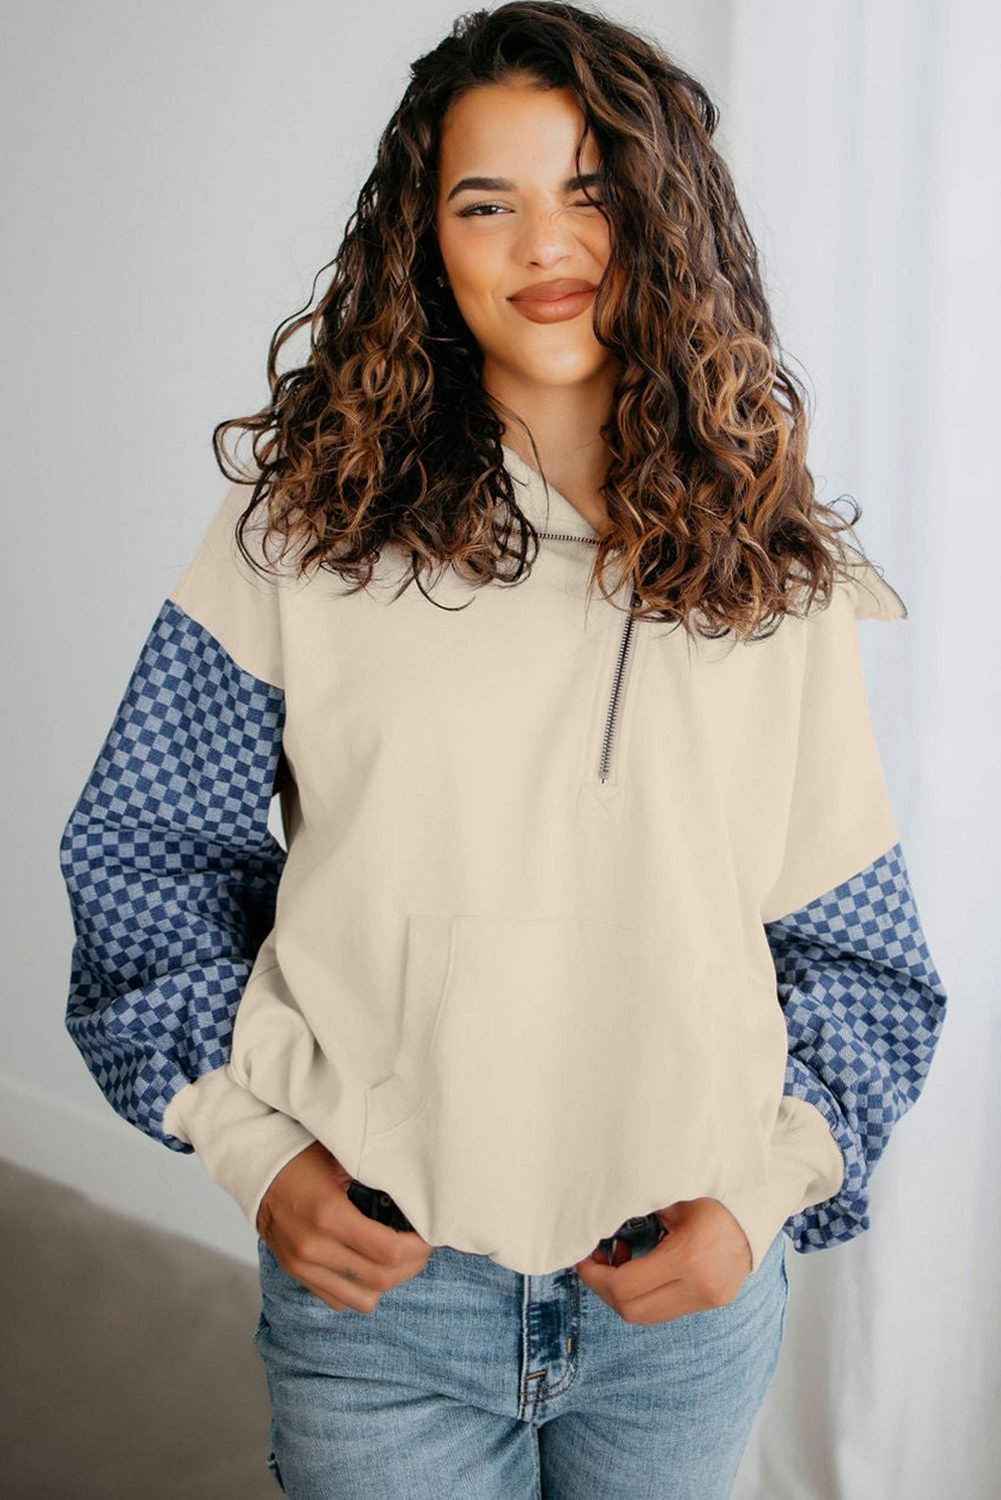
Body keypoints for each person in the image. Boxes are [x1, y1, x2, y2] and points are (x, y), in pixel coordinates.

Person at [58, 3, 949, 1496]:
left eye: (590, 191)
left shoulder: (768, 567)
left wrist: (760, 1199)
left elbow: (855, 952)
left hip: (681, 1304)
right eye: (487, 202)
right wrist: (256, 1154)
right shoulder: (303, 532)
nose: (545, 242)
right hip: (385, 1301)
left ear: (664, 219)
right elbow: (145, 859)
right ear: (424, 241)